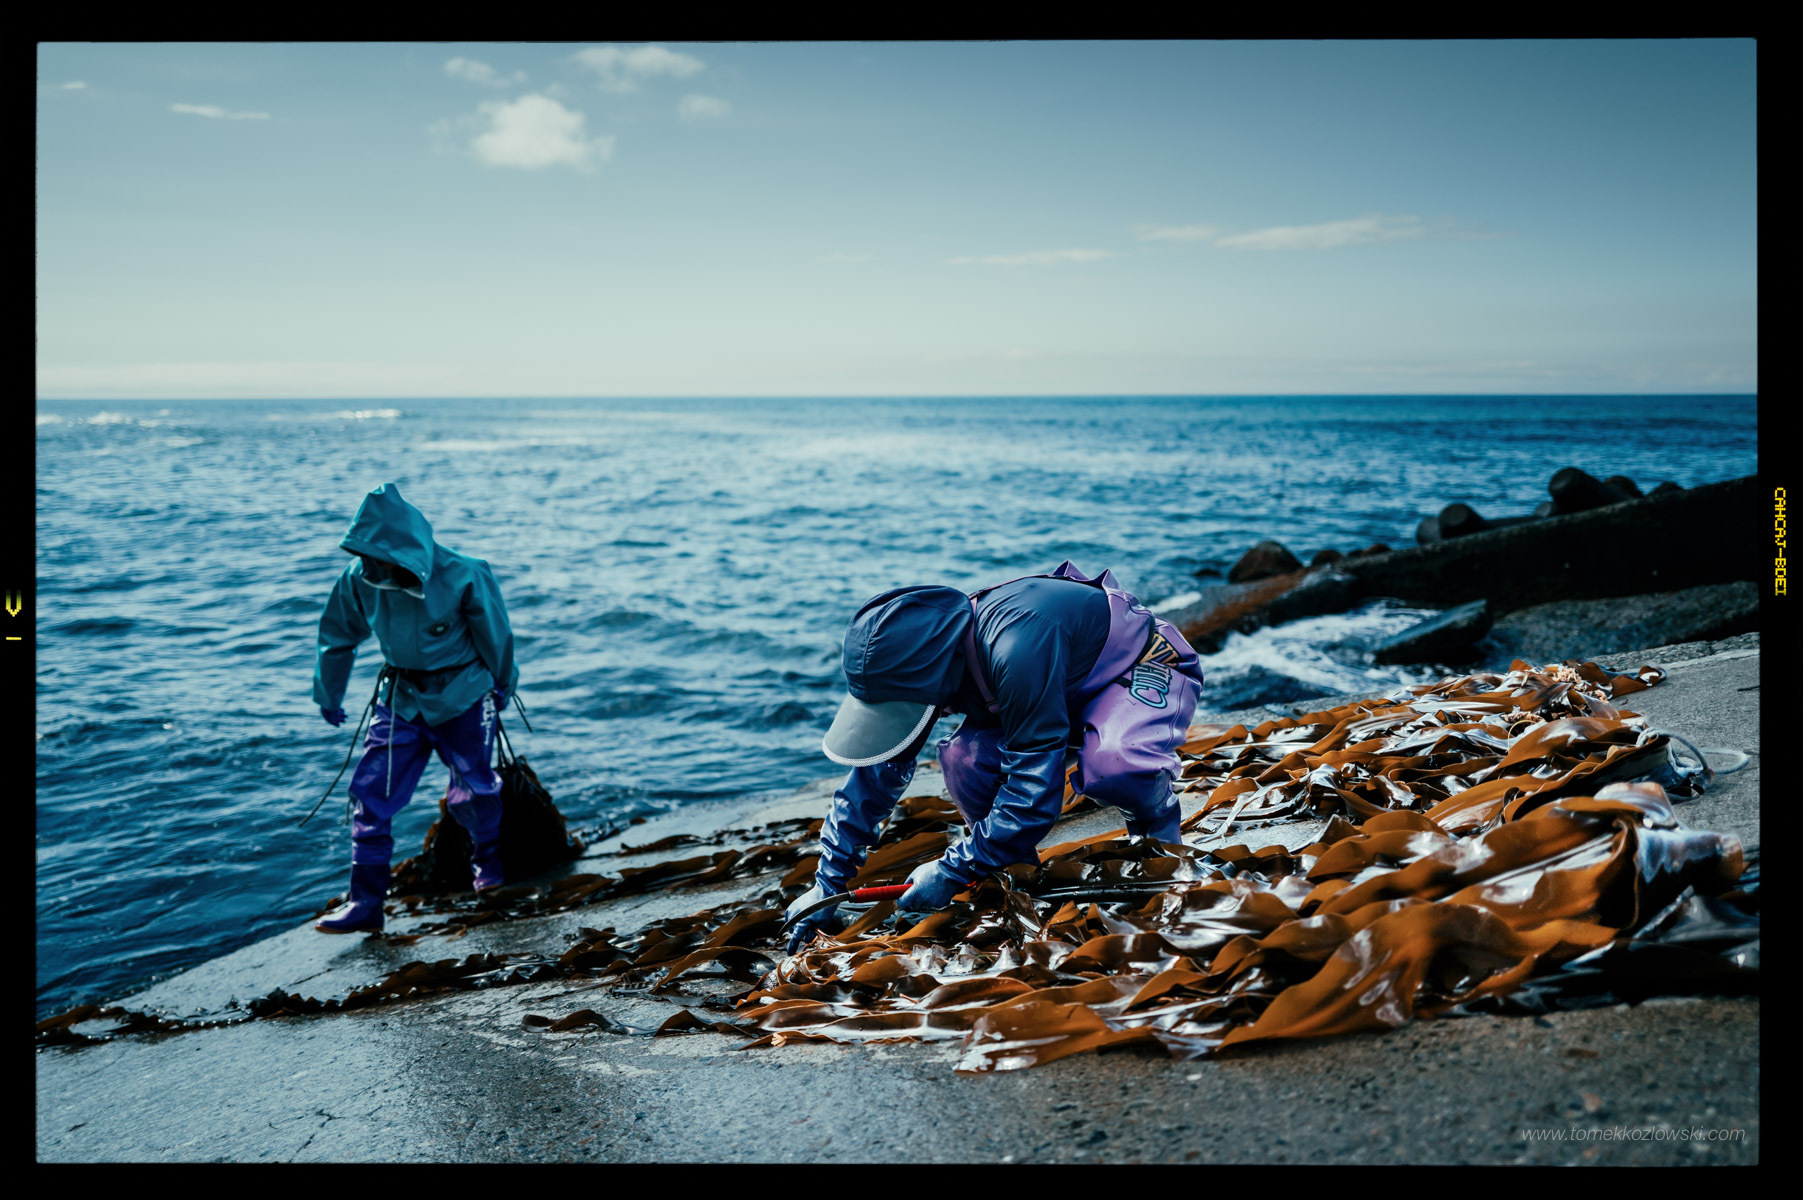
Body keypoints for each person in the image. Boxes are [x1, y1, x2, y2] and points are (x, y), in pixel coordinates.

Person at [785, 562, 1204, 953]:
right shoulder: (933, 660)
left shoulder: (1015, 647)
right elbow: (876, 774)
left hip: (1137, 665)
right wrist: (827, 883)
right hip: (1046, 692)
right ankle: (1016, 872)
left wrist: (953, 869)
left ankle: (1158, 839)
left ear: (944, 667)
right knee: (963, 759)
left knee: (1115, 762)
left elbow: (1034, 796)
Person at [310, 483, 521, 934]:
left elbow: (496, 635)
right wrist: (329, 693)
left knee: (476, 788)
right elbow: (337, 635)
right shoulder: (358, 578)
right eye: (364, 556)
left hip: (463, 694)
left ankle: (487, 866)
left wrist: (503, 685)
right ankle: (365, 902)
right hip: (400, 698)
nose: (370, 566)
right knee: (370, 793)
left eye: (379, 558)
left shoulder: (465, 573)